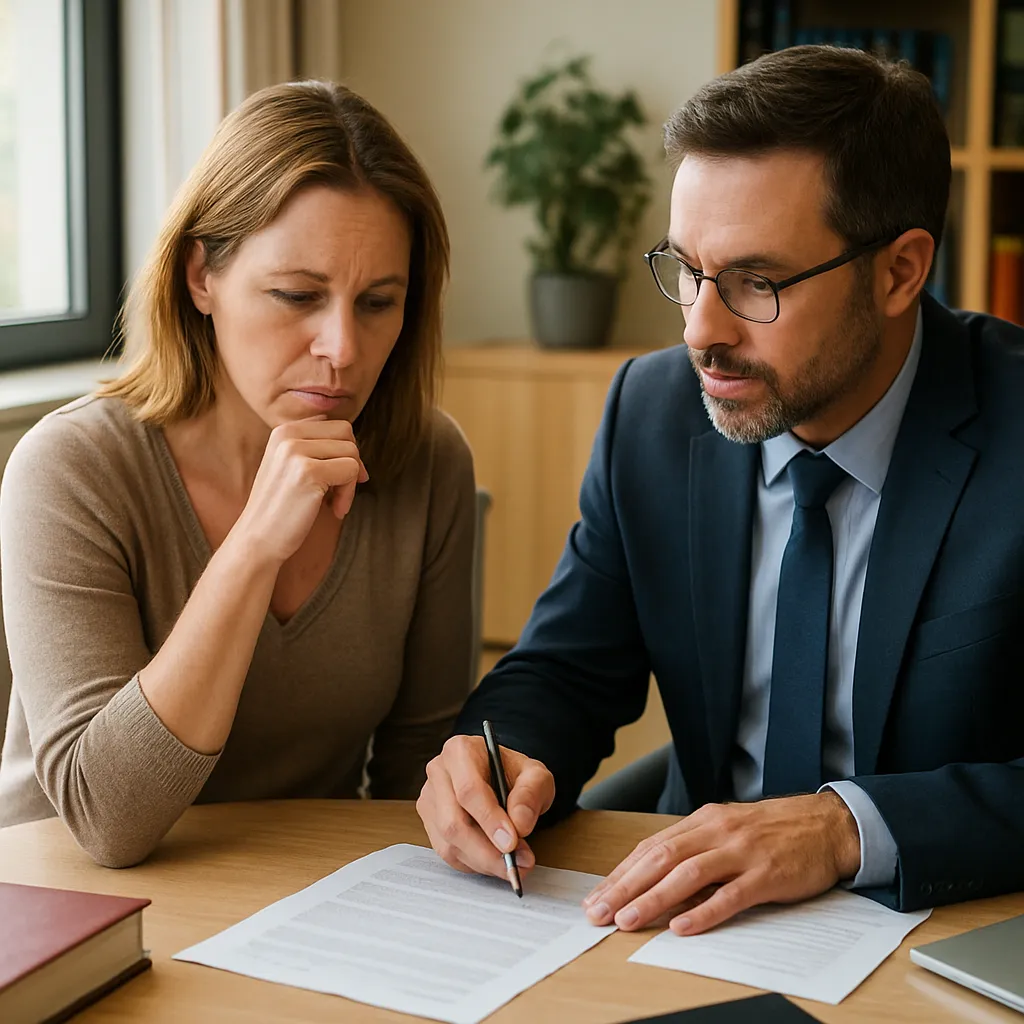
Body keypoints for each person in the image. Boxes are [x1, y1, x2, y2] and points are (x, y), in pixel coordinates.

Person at [417, 45, 1024, 934]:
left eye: (755, 282)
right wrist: (497, 757)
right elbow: (568, 669)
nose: (702, 331)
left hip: (944, 929)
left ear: (900, 271)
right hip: (696, 929)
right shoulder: (654, 413)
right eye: (689, 270)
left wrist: (844, 829)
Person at [0, 81, 476, 867]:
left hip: (297, 904)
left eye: (378, 302)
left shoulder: (428, 462)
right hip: (73, 916)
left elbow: (415, 771)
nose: (343, 349)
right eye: (297, 295)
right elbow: (105, 819)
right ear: (200, 277)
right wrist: (254, 547)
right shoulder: (70, 470)